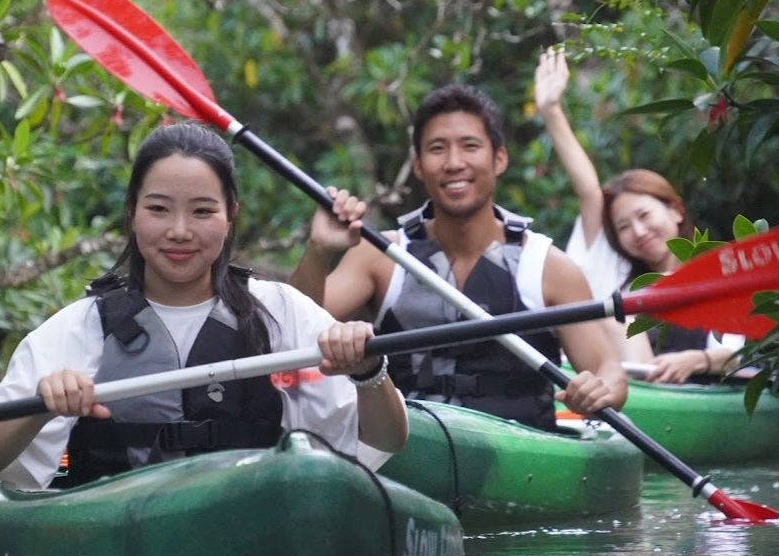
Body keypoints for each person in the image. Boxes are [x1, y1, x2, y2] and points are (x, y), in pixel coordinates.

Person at [0, 122, 409, 490]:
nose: (180, 231)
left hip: (253, 529)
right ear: (131, 212)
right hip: (115, 537)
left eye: (203, 212)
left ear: (231, 216)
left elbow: (388, 439)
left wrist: (369, 371)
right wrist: (42, 405)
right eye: (159, 209)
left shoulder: (280, 311)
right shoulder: (80, 328)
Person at [289, 83, 627, 431]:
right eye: (438, 149)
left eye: (470, 146)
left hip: (518, 462)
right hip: (410, 448)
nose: (454, 163)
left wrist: (600, 390)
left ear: (499, 159)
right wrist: (318, 250)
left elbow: (610, 372)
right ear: (419, 166)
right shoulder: (380, 255)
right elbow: (294, 331)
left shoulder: (548, 267)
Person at [534, 46, 742, 384]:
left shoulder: (717, 277)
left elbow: (737, 352)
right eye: (624, 227)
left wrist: (698, 359)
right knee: (613, 312)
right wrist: (551, 110)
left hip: (699, 405)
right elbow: (589, 192)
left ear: (675, 209)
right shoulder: (621, 286)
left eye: (644, 215)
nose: (639, 231)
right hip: (640, 398)